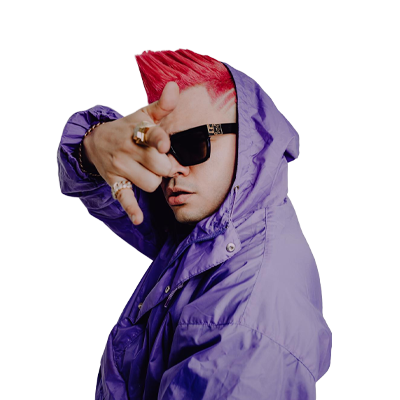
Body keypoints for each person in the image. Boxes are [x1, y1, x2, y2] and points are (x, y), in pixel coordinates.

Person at [57, 49, 332, 400]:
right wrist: (95, 142)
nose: (173, 169)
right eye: (162, 150)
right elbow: (93, 181)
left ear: (250, 142)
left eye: (192, 144)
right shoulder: (216, 225)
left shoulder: (246, 322)